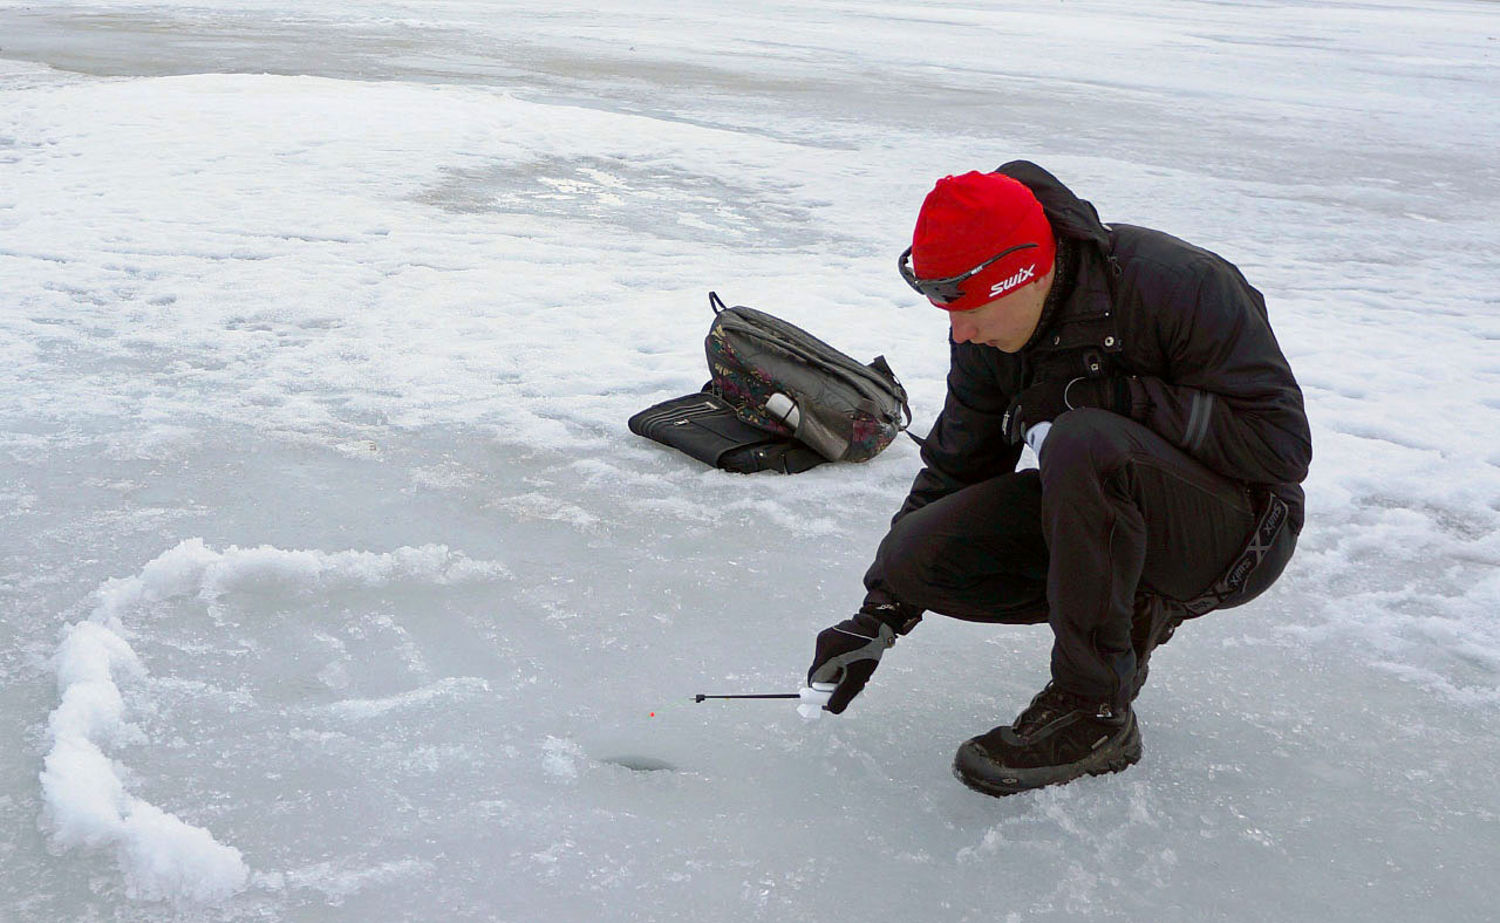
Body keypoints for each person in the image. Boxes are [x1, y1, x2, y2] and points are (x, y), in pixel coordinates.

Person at [806, 162, 1311, 796]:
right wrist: (879, 613)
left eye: (969, 309)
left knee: (1085, 438)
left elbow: (1281, 448)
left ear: (1029, 272)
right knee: (916, 557)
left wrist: (1114, 397)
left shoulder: (1178, 284)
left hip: (1235, 532)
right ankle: (1127, 613)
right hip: (1108, 504)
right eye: (946, 310)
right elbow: (960, 465)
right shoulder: (989, 333)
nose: (960, 331)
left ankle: (1093, 710)